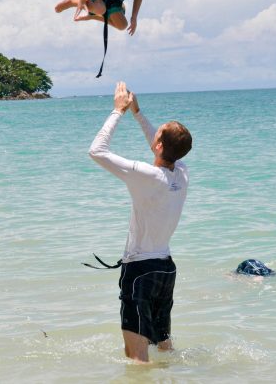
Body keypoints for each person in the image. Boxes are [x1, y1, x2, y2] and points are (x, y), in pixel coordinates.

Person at [88, 82, 192, 363]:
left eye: (157, 132)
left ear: (158, 145)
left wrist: (118, 111)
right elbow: (161, 146)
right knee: (163, 345)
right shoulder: (181, 172)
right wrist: (138, 113)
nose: (154, 133)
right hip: (165, 270)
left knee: (137, 356)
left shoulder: (147, 175)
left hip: (141, 270)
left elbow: (96, 151)